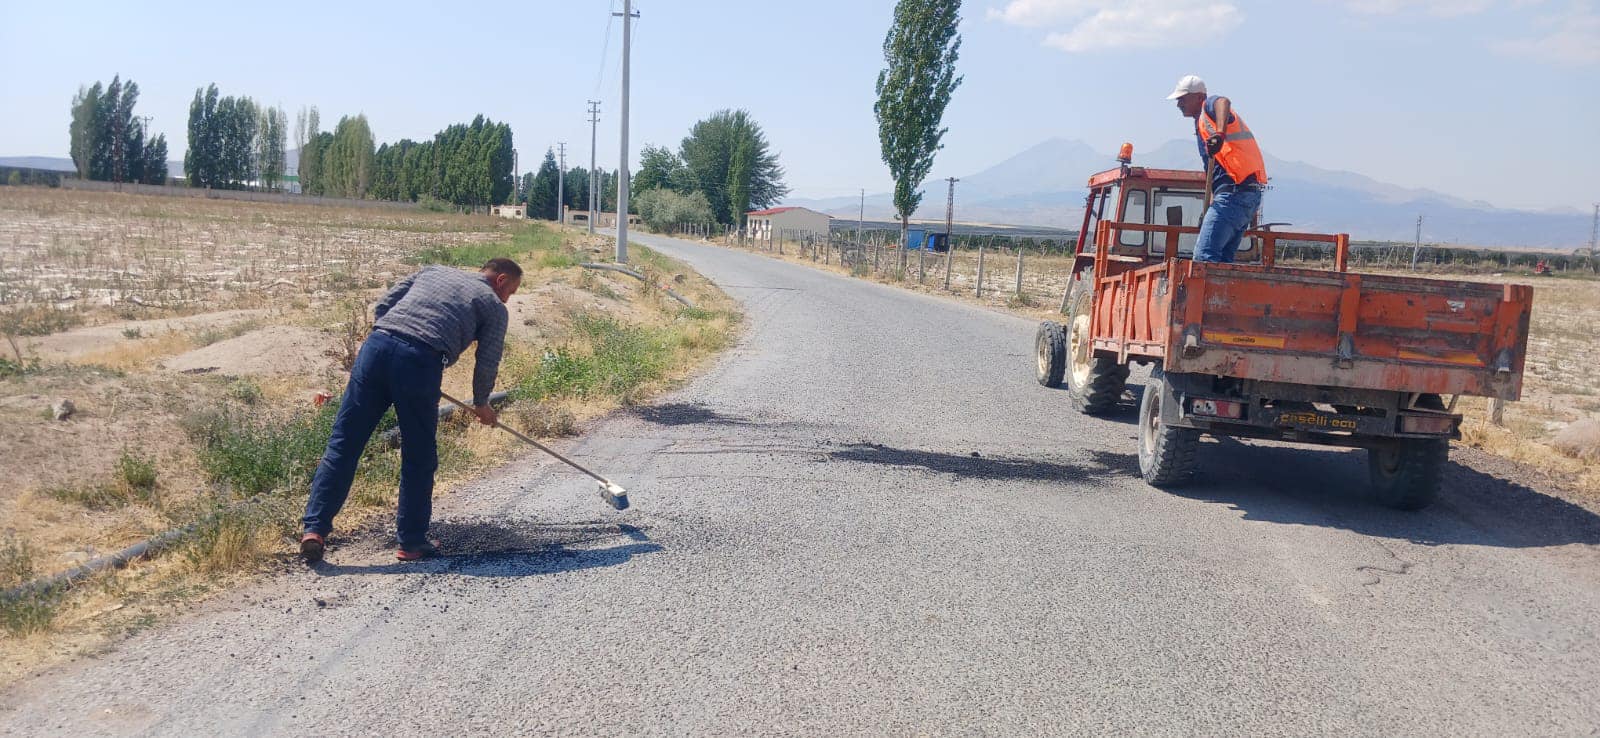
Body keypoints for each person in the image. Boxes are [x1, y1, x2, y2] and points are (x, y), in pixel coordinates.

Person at [300, 258, 522, 563]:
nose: (508, 298)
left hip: (376, 347)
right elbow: (488, 359)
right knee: (419, 455)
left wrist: (392, 341)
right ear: (501, 280)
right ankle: (412, 542)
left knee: (344, 444)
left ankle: (314, 529)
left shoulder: (433, 271)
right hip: (420, 361)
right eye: (511, 291)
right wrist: (481, 403)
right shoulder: (493, 306)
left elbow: (384, 305)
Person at [1167, 75, 1268, 263]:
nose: (1179, 104)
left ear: (1198, 97)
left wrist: (1220, 134)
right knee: (1221, 260)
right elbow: (1216, 174)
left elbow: (1223, 101)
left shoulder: (1209, 106)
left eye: (1182, 98)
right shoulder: (1202, 124)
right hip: (1241, 194)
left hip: (1235, 193)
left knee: (1204, 257)